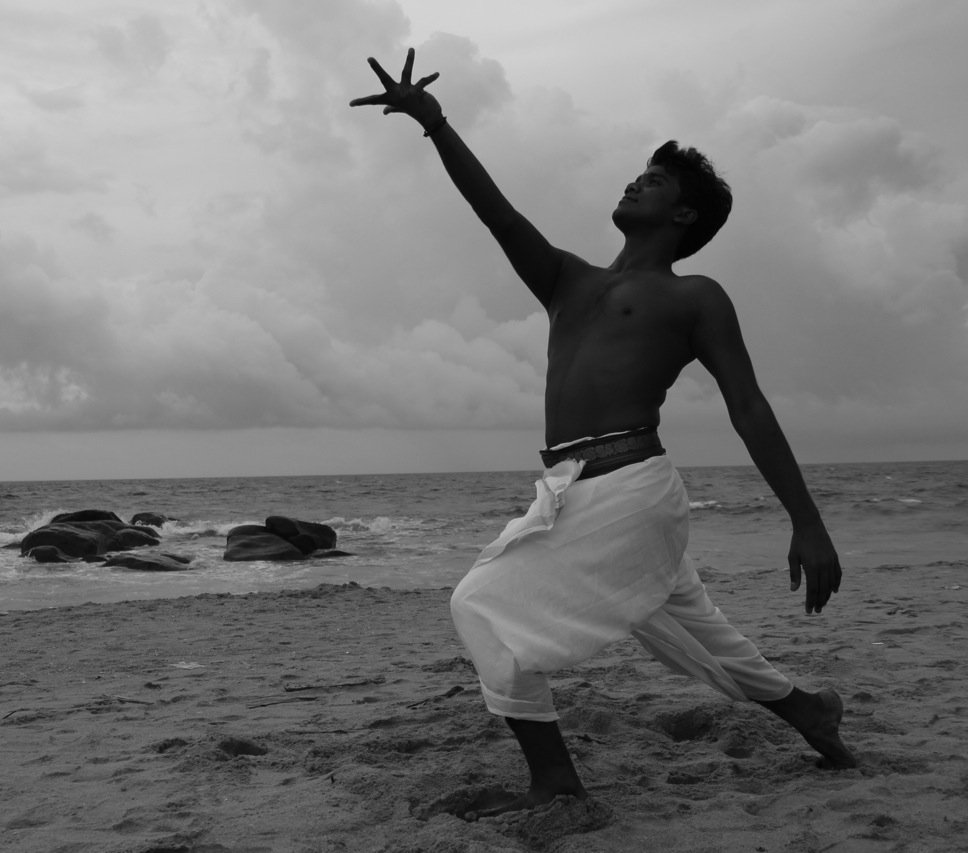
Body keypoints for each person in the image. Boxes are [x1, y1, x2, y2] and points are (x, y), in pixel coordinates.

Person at [350, 48, 856, 815]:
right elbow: (497, 213)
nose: (634, 182)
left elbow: (748, 405)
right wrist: (436, 124)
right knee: (690, 627)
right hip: (569, 486)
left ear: (683, 215)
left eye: (652, 181)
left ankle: (558, 785)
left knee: (481, 604)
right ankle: (807, 709)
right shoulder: (569, 281)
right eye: (637, 174)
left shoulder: (694, 297)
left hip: (628, 483)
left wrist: (807, 517)